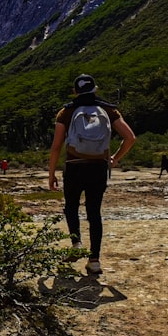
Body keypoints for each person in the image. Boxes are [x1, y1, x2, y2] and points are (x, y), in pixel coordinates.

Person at [48, 74, 136, 275]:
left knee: (71, 206)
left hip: (74, 165)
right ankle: (94, 260)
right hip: (98, 166)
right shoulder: (109, 110)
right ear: (95, 89)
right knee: (94, 212)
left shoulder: (66, 112)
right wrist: (115, 158)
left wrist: (51, 174)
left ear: (75, 91)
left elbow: (56, 147)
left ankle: (76, 243)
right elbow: (130, 137)